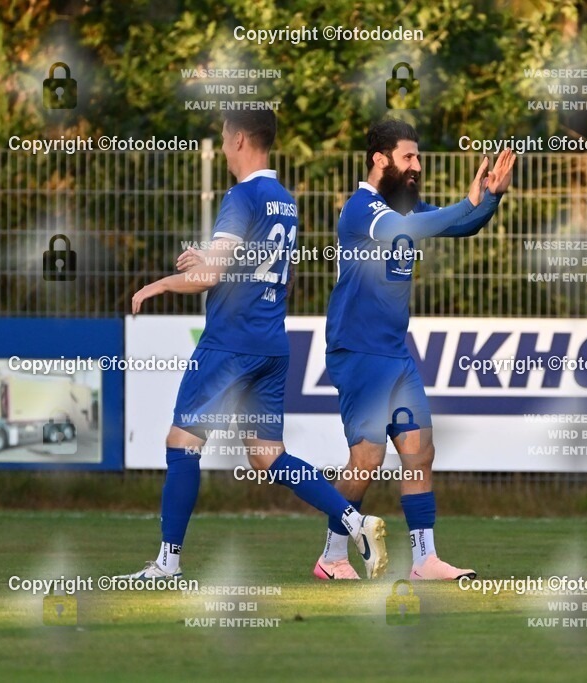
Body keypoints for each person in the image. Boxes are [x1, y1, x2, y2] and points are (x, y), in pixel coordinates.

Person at [120, 109, 388, 580]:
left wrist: (159, 285)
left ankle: (168, 563)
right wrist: (208, 257)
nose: (223, 148)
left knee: (181, 443)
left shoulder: (242, 196)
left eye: (224, 139)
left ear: (239, 138)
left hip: (229, 343)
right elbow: (251, 265)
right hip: (271, 344)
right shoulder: (285, 200)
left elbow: (212, 276)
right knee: (267, 454)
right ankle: (355, 521)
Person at [314, 118, 516, 580]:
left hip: (394, 353)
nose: (417, 166)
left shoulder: (403, 211)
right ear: (379, 159)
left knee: (419, 452)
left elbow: (459, 226)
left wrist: (491, 197)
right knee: (366, 460)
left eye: (418, 157)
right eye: (408, 157)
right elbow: (428, 222)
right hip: (358, 353)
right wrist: (468, 200)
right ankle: (331, 556)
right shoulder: (361, 209)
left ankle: (424, 560)